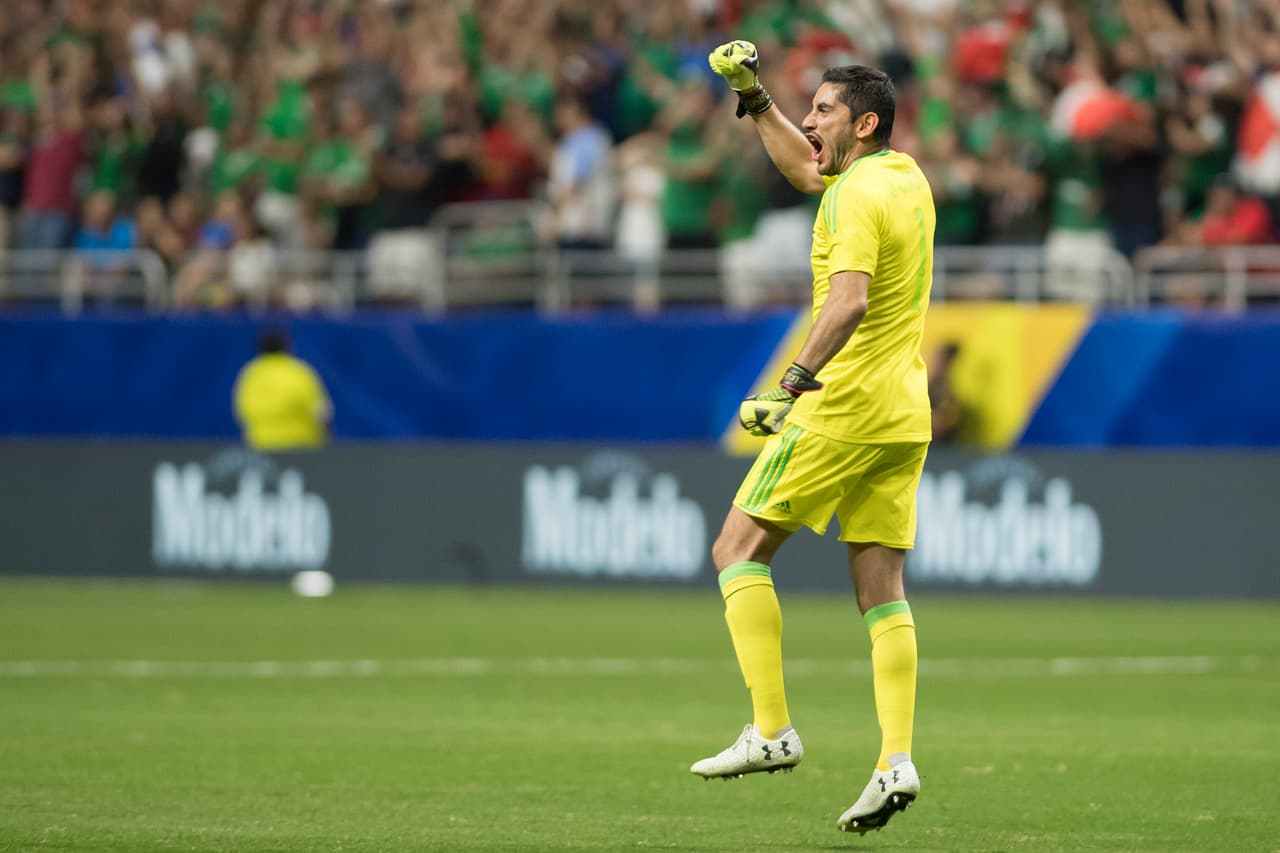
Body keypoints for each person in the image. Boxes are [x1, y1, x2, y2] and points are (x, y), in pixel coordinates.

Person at [692, 41, 935, 836]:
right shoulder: (904, 178)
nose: (810, 119)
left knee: (736, 548)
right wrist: (753, 96)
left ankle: (771, 728)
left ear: (863, 124)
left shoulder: (852, 198)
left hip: (843, 408)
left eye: (824, 110)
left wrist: (790, 382)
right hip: (903, 412)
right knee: (882, 589)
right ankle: (894, 758)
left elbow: (849, 300)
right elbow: (806, 168)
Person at [232, 328, 332, 451]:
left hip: (260, 447)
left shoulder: (250, 374)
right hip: (301, 448)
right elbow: (322, 414)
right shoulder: (299, 372)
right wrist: (326, 443)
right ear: (287, 346)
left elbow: (240, 411)